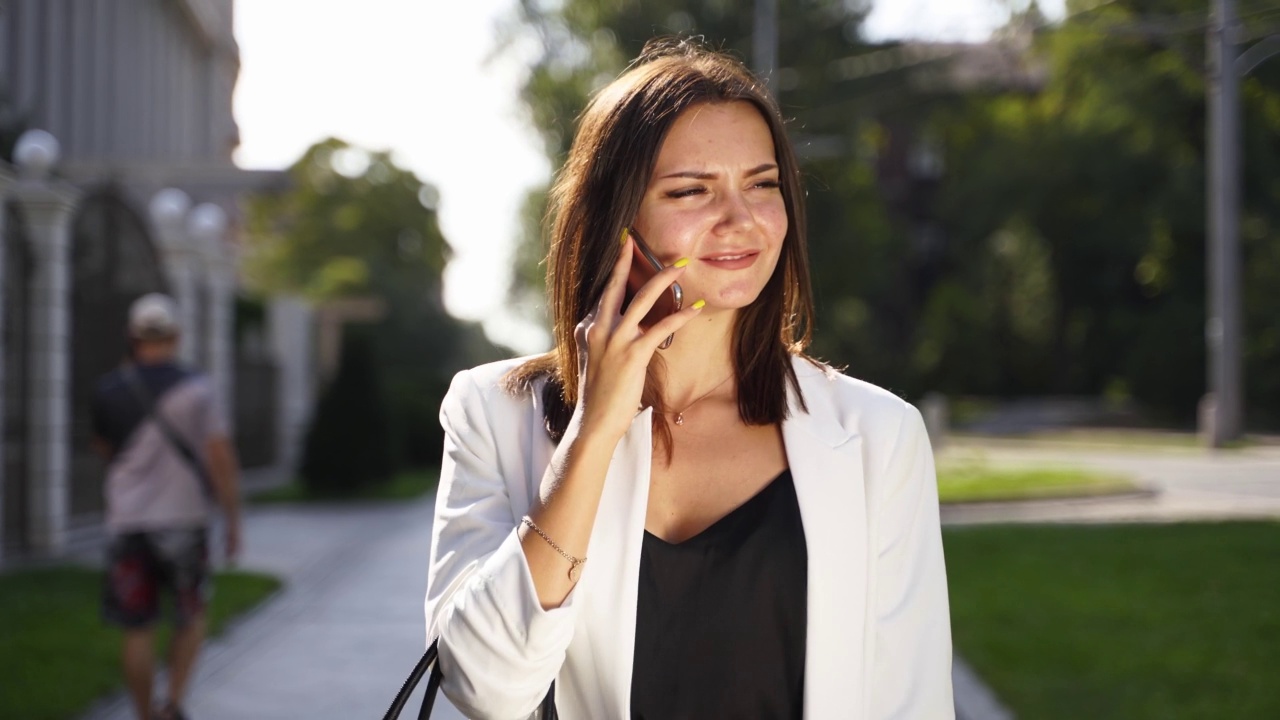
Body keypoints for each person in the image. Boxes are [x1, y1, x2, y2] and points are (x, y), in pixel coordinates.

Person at [424, 37, 952, 719]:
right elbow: (481, 689)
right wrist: (593, 434)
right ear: (616, 221)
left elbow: (910, 703)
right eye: (691, 190)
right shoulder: (492, 413)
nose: (741, 220)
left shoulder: (880, 436)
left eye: (762, 185)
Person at [91, 293, 243, 720]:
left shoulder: (108, 390)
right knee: (190, 616)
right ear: (176, 335)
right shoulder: (197, 390)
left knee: (137, 627)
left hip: (128, 522)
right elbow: (220, 458)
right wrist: (232, 520)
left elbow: (103, 448)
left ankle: (143, 714)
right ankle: (172, 705)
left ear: (131, 336)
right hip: (183, 520)